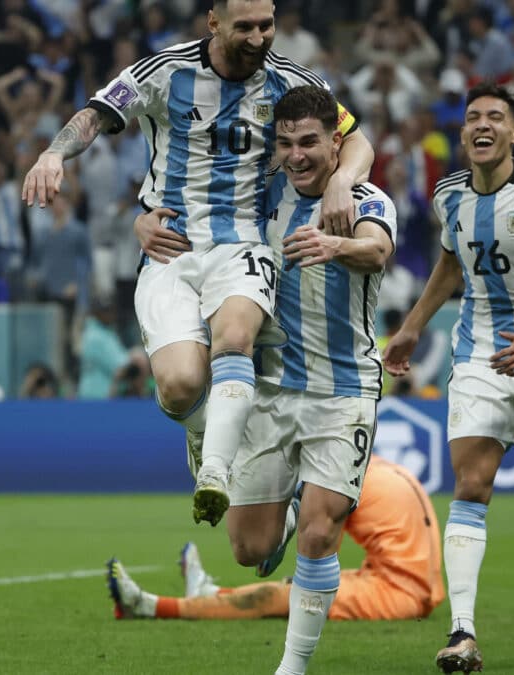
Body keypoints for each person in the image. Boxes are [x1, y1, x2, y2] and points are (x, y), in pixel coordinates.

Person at [21, 0, 374, 527]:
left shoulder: (287, 81)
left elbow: (356, 139)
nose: (259, 38)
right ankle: (201, 435)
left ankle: (215, 473)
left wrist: (343, 181)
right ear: (214, 23)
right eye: (245, 27)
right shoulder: (165, 72)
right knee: (181, 384)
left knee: (235, 339)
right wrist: (54, 153)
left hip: (244, 245)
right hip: (170, 250)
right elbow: (95, 113)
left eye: (267, 25)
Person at [134, 85, 394, 674]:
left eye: (309, 142)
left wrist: (336, 243)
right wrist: (142, 224)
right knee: (252, 552)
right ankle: (236, 457)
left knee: (322, 534)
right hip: (268, 391)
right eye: (285, 144)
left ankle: (292, 668)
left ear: (335, 142)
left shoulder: (365, 197)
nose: (297, 155)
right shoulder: (259, 201)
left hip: (343, 392)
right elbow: (193, 208)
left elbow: (377, 251)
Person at [382, 83, 514, 674]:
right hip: (478, 356)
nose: (482, 124)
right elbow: (451, 263)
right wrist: (412, 327)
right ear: (463, 135)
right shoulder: (448, 195)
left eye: (496, 117)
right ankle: (463, 633)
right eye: (473, 117)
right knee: (471, 484)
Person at [107, 455, 444, 622]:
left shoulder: (342, 481)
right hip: (417, 584)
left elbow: (322, 551)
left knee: (283, 596)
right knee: (291, 588)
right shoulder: (381, 468)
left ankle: (151, 606)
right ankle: (208, 594)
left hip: (398, 594)